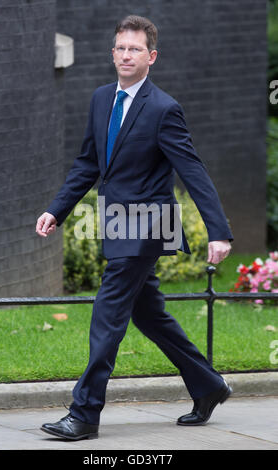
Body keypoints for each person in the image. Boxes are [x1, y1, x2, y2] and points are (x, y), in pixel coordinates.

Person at [36, 15, 233, 441]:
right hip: (115, 222)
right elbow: (88, 162)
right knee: (151, 315)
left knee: (107, 317)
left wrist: (218, 230)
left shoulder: (164, 109)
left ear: (152, 57)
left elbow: (192, 170)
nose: (126, 55)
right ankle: (210, 385)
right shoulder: (101, 99)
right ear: (113, 53)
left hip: (146, 227)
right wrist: (58, 209)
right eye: (121, 48)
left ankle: (84, 413)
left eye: (135, 49)